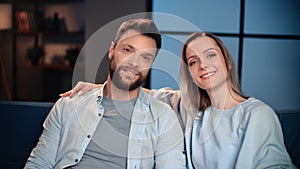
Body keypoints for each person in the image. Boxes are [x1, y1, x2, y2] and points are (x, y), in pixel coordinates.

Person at [62, 32, 296, 168]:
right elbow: (142, 93)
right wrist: (99, 88)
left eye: (210, 55)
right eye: (193, 61)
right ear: (190, 73)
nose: (203, 65)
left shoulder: (256, 114)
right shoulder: (188, 107)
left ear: (226, 60)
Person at [24, 18, 186, 169]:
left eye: (145, 57)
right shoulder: (69, 104)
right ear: (112, 50)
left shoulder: (163, 118)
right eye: (128, 50)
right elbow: (39, 162)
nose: (134, 63)